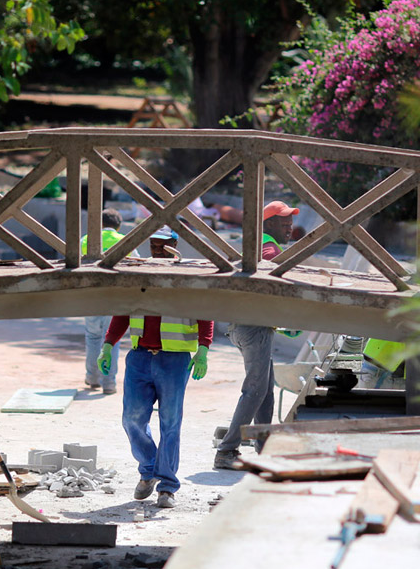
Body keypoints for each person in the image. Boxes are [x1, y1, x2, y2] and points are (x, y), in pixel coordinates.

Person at [97, 226, 214, 508]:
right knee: (131, 420)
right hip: (139, 358)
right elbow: (123, 311)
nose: (157, 250)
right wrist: (109, 344)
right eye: (153, 245)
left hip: (173, 361)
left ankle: (167, 486)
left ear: (175, 244)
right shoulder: (139, 275)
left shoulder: (187, 276)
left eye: (163, 245)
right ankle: (148, 468)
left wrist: (203, 349)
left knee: (170, 423)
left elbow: (205, 311)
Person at [213, 200, 300, 470]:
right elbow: (279, 283)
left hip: (246, 326)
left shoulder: (254, 244)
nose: (289, 226)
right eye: (283, 221)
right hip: (254, 328)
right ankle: (227, 451)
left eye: (290, 220)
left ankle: (265, 448)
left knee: (265, 391)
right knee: (255, 390)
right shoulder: (269, 248)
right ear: (268, 223)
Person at [81, 208, 127, 395]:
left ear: (99, 224)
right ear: (118, 226)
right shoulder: (125, 241)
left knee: (92, 337)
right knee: (112, 340)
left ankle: (92, 378)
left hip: (91, 295)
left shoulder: (85, 240)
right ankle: (109, 383)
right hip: (116, 297)